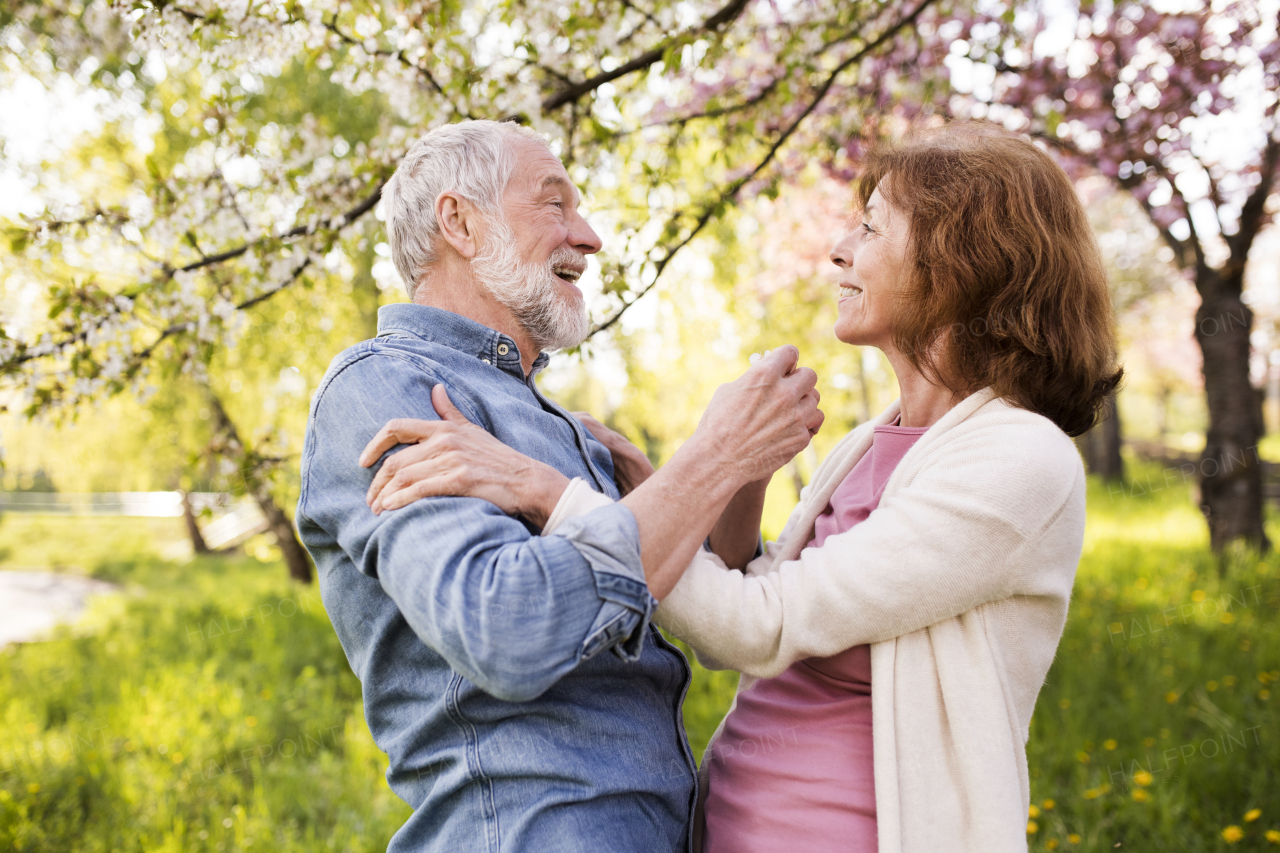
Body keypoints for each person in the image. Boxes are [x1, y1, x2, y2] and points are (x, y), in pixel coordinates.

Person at [363, 122, 1124, 853]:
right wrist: (724, 481)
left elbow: (757, 624)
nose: (838, 249)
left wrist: (553, 489)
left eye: (871, 228)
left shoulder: (1020, 460)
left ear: (960, 260)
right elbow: (777, 600)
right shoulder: (874, 440)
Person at [296, 119, 822, 853]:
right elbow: (507, 627)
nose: (590, 236)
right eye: (555, 205)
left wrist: (742, 469)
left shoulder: (567, 427)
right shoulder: (387, 386)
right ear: (460, 222)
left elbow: (712, 608)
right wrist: (714, 456)